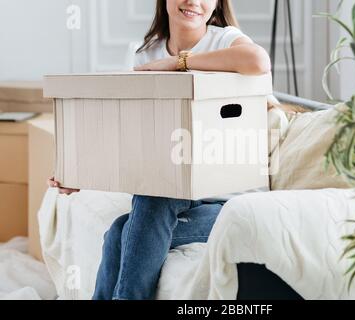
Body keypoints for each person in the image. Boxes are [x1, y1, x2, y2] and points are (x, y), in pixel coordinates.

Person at [48, 0, 270, 300]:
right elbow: (129, 134)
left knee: (148, 202)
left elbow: (258, 60)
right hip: (172, 192)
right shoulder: (145, 53)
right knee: (121, 229)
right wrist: (83, 174)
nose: (193, 1)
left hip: (229, 203)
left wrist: (178, 63)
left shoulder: (225, 40)